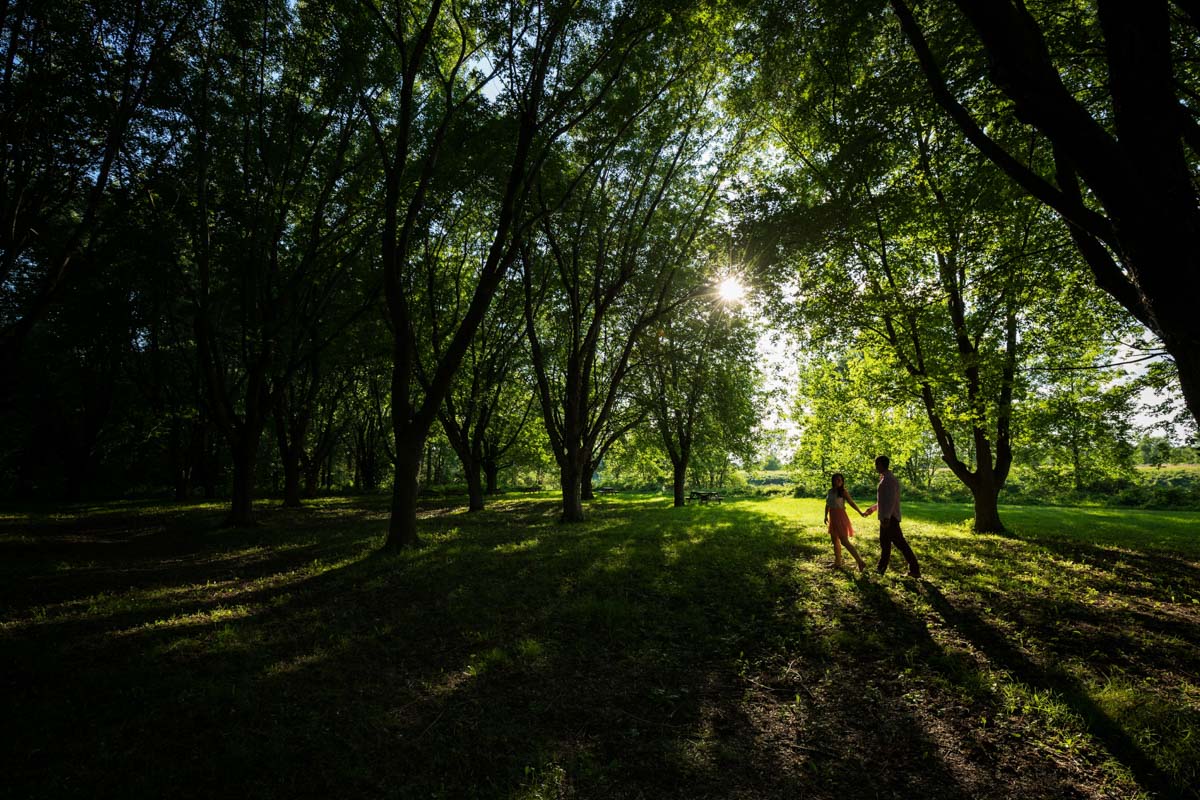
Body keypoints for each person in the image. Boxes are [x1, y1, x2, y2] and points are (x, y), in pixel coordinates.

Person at [863, 455, 920, 578]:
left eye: (876, 464)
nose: (876, 467)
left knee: (900, 544)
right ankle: (881, 569)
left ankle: (914, 570)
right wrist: (873, 509)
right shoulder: (885, 478)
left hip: (890, 519)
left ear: (882, 464)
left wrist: (887, 518)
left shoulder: (889, 480)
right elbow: (884, 501)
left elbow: (891, 501)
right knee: (885, 544)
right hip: (886, 518)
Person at [824, 473, 867, 570]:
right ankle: (837, 562)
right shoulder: (830, 491)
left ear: (842, 481)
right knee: (834, 540)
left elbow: (851, 503)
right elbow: (827, 504)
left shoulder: (843, 492)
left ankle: (860, 562)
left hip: (840, 517)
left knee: (844, 541)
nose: (839, 481)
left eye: (840, 480)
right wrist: (825, 515)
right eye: (837, 479)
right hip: (832, 516)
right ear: (833, 481)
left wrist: (860, 512)